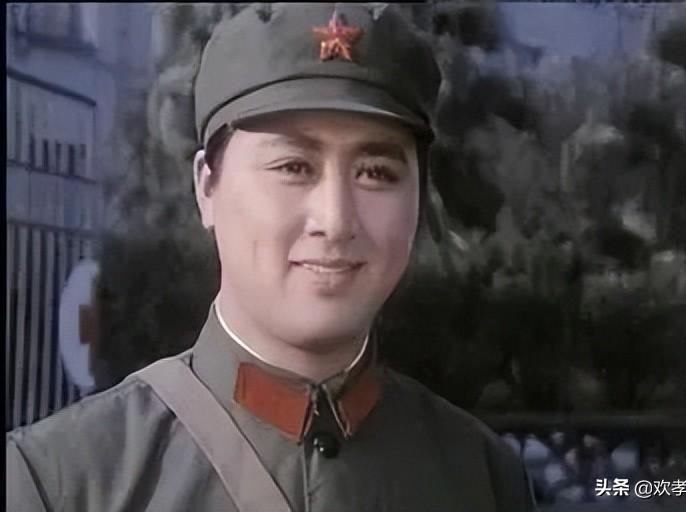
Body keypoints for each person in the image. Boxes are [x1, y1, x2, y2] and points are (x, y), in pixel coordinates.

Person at [7, 4, 537, 511]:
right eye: (293, 167)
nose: (336, 219)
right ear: (207, 187)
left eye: (376, 172)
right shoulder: (60, 482)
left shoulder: (482, 477)